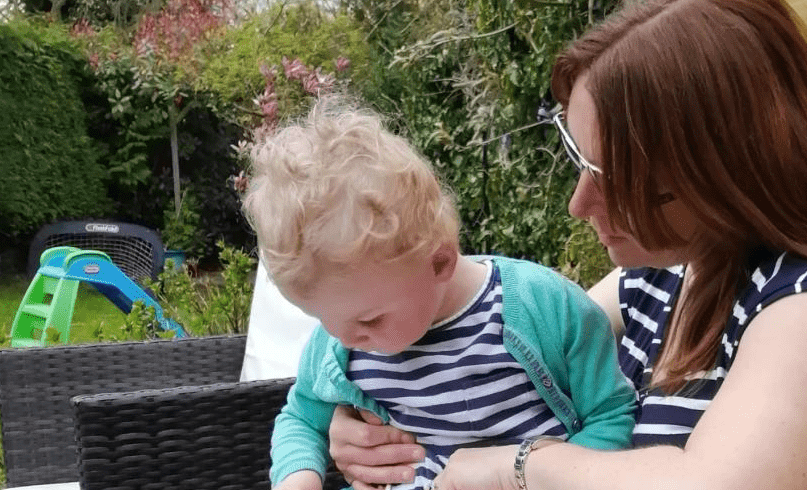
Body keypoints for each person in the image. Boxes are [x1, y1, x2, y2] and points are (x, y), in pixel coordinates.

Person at [323, 0, 807, 490]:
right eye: (577, 158)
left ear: (722, 173)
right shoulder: (678, 269)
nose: (578, 203)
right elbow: (511, 345)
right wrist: (361, 416)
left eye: (608, 176)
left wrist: (520, 464)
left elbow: (710, 484)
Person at [240, 96, 636, 490]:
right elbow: (302, 418)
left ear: (439, 263)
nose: (343, 338)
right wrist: (298, 479)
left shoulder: (544, 308)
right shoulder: (341, 341)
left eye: (369, 320)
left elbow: (611, 415)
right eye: (324, 320)